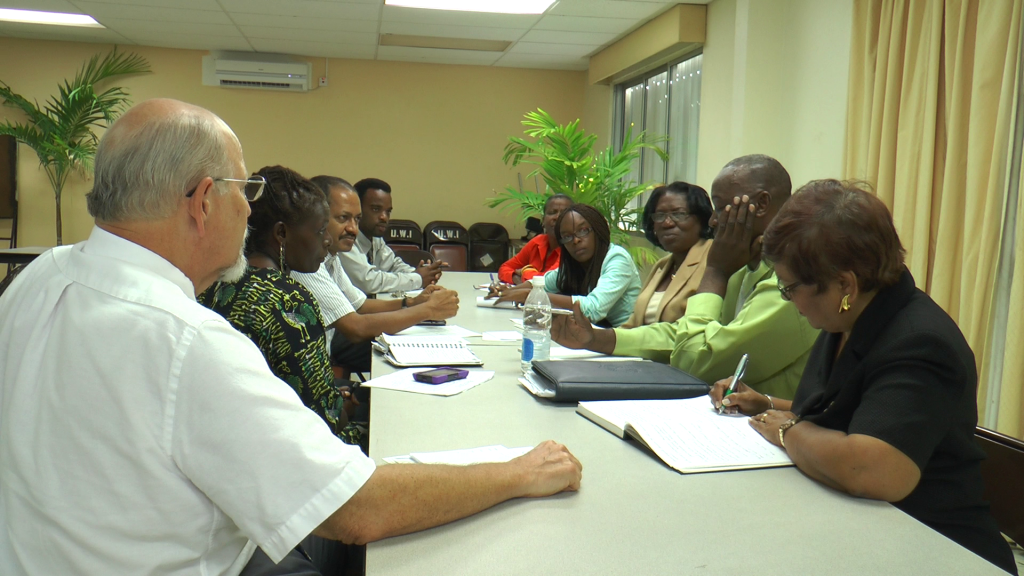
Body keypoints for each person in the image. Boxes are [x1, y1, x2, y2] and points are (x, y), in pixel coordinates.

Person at [0, 99, 583, 576]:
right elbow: (356, 509)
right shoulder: (188, 340)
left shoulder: (36, 279)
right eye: (243, 191)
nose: (247, 209)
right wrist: (518, 471)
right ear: (205, 201)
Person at [709, 180, 1017, 575]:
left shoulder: (920, 343)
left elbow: (873, 470)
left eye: (790, 289)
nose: (790, 301)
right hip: (862, 527)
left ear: (844, 284)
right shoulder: (850, 316)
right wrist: (768, 404)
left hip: (933, 546)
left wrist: (789, 431)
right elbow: (852, 408)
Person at [550, 155, 818, 400]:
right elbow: (680, 334)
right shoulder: (748, 268)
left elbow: (695, 360)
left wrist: (715, 272)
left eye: (723, 208)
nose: (713, 221)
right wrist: (594, 339)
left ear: (761, 205)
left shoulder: (792, 286)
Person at [293, 175, 459, 374]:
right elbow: (356, 328)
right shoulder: (306, 263)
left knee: (411, 347)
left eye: (357, 219)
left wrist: (414, 303)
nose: (353, 229)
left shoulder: (332, 255)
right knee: (401, 355)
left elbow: (361, 305)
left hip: (327, 351)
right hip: (317, 366)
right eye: (343, 218)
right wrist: (429, 310)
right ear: (317, 217)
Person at [496, 204, 641, 328]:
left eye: (583, 230)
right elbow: (543, 282)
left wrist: (532, 296)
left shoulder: (617, 258)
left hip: (624, 340)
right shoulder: (575, 265)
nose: (576, 240)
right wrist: (508, 292)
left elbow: (594, 308)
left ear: (598, 229)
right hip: (597, 337)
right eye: (567, 236)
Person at [620, 181, 713, 328]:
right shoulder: (663, 265)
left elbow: (691, 329)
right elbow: (633, 323)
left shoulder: (713, 259)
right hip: (639, 350)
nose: (667, 223)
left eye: (678, 214)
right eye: (660, 215)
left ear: (702, 219)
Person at [337, 177, 443, 295]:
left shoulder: (375, 238)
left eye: (388, 211)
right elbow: (368, 282)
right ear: (357, 209)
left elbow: (392, 264)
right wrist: (418, 278)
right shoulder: (344, 239)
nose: (384, 217)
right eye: (376, 209)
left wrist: (421, 272)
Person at [497, 194, 573, 284]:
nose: (557, 217)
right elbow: (504, 268)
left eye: (564, 214)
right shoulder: (537, 242)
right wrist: (518, 280)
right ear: (543, 220)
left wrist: (524, 271)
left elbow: (547, 281)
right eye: (552, 212)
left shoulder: (571, 248)